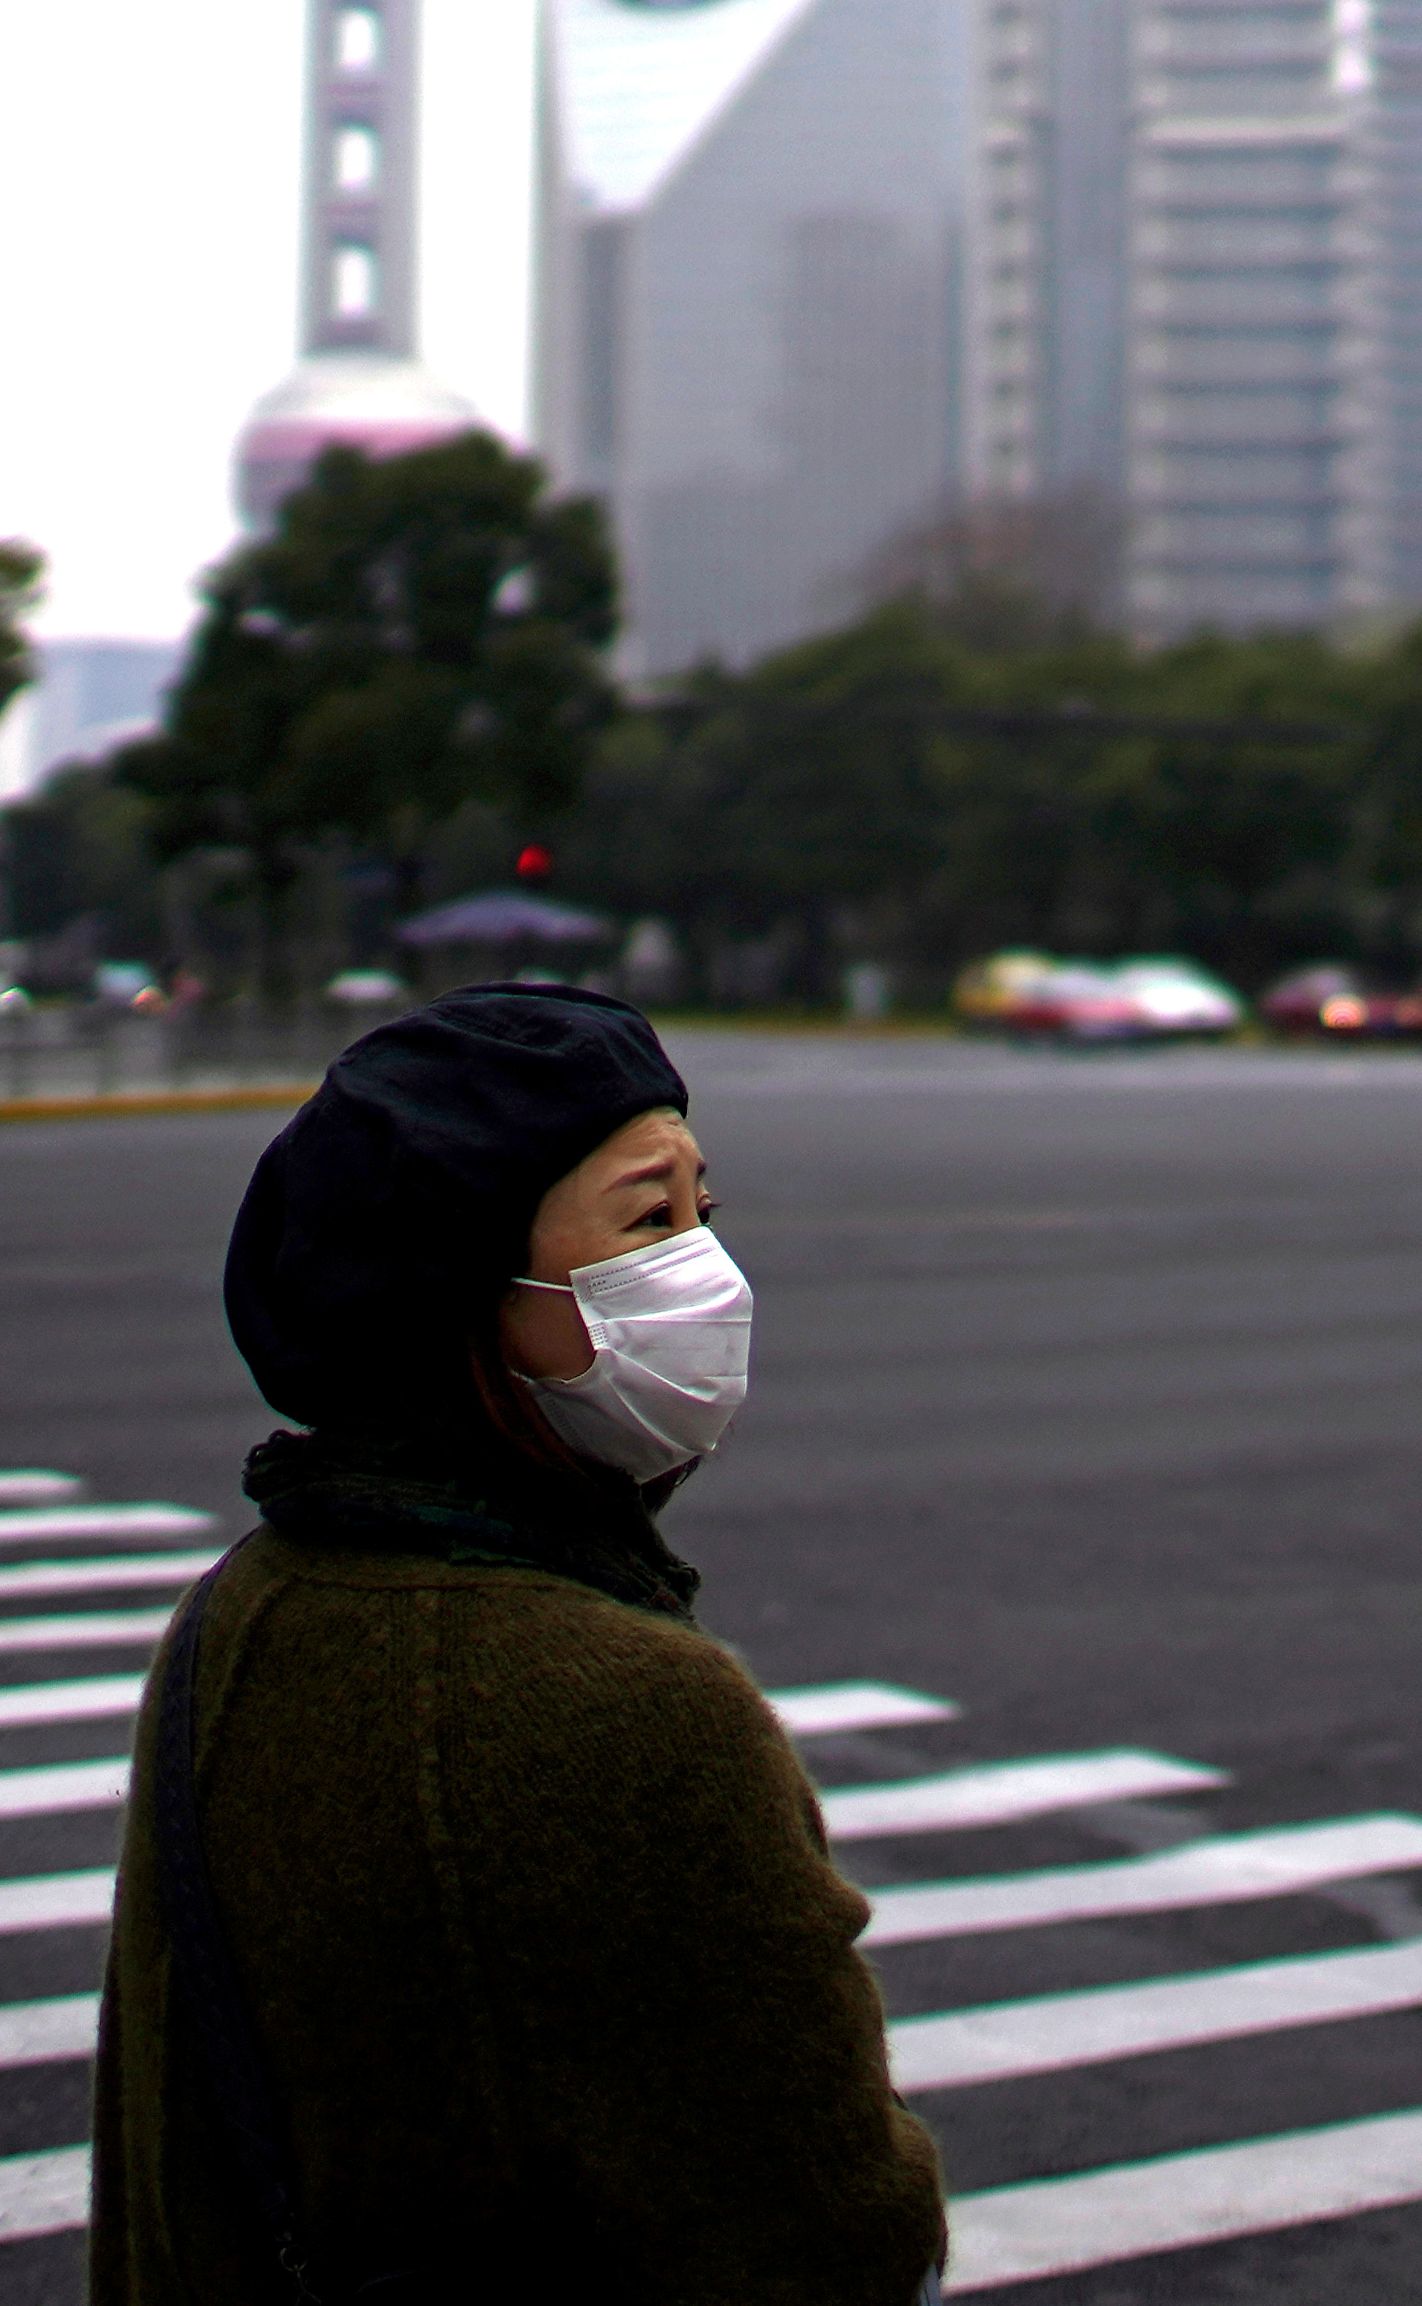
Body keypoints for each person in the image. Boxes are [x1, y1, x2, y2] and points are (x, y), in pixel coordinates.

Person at [91, 982, 948, 2300]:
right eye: (645, 1220)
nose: (706, 1274)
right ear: (459, 1284)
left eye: (703, 1213)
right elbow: (837, 2234)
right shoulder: (636, 1705)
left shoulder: (236, 1612)